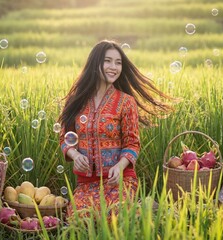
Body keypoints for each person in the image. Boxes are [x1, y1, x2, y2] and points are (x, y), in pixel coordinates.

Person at [58, 39, 173, 220]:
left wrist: (120, 167)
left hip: (120, 180)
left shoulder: (126, 102)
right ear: (96, 63)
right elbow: (64, 137)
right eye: (108, 61)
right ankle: (144, 209)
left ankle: (145, 208)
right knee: (79, 219)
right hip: (87, 183)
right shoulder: (76, 101)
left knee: (114, 216)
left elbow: (132, 143)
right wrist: (75, 155)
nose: (114, 67)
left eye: (118, 62)